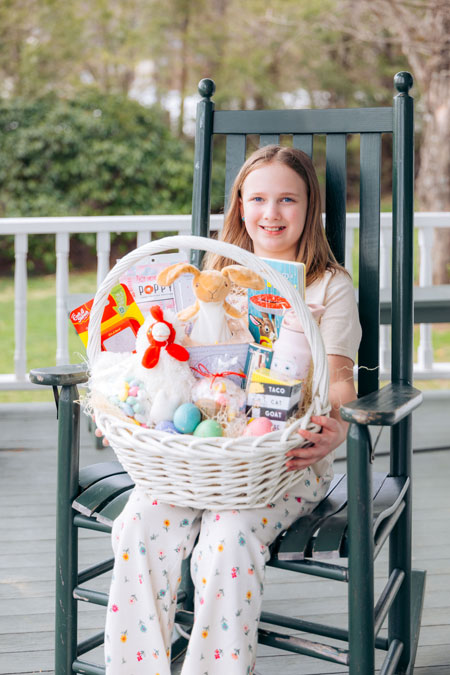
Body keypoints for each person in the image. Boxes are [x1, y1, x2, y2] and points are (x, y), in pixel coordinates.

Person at [104, 145, 362, 674]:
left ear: (309, 208)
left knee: (225, 539)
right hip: (198, 456)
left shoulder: (327, 285)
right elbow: (187, 367)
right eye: (258, 198)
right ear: (239, 205)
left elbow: (339, 380)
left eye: (287, 199)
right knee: (137, 521)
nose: (272, 213)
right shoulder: (214, 274)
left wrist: (336, 428)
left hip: (284, 462)